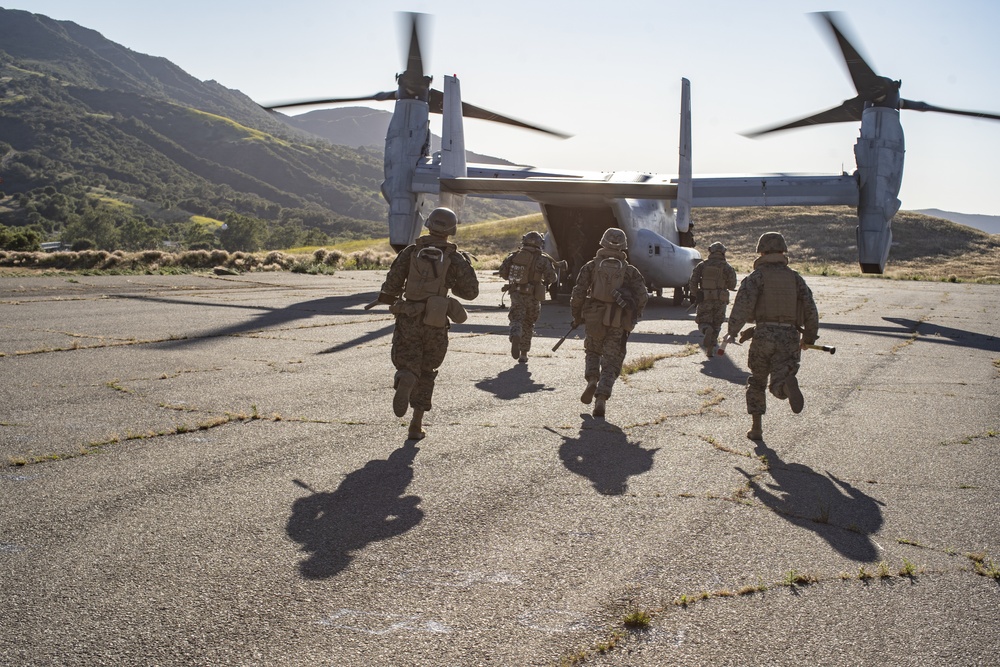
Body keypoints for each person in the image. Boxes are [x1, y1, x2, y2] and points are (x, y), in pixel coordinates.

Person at [373, 207, 479, 440]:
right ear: (451, 230)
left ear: (428, 224)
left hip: (408, 317)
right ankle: (415, 425)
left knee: (407, 360)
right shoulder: (455, 257)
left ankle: (405, 376)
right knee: (428, 370)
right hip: (436, 320)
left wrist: (392, 299)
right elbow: (471, 293)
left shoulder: (411, 251)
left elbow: (391, 285)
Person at [725, 232, 819, 441]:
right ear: (783, 251)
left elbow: (742, 305)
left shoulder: (756, 277)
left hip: (763, 335)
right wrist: (809, 338)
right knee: (780, 375)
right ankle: (784, 386)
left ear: (762, 251)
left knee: (757, 382)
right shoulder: (795, 278)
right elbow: (810, 309)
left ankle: (756, 429)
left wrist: (732, 331)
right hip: (789, 335)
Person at [570, 228, 648, 418]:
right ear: (624, 246)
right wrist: (633, 314)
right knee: (612, 360)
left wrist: (577, 316)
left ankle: (591, 379)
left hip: (594, 317)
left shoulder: (591, 266)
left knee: (593, 351)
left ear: (602, 243)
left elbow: (578, 293)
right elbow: (643, 296)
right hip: (618, 320)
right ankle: (601, 398)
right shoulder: (630, 271)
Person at [498, 231, 559, 363]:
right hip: (533, 295)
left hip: (516, 293)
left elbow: (503, 272)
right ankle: (524, 354)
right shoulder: (543, 259)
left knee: (516, 318)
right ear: (540, 243)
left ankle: (515, 334)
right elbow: (552, 278)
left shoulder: (513, 256)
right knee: (529, 323)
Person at [688, 241, 738, 356]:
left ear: (710, 251)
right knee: (717, 323)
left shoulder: (702, 265)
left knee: (703, 321)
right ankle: (712, 346)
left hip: (705, 299)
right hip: (720, 300)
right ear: (723, 253)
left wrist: (696, 293)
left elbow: (693, 281)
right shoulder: (727, 267)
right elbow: (732, 285)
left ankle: (706, 330)